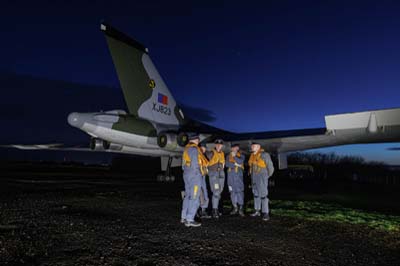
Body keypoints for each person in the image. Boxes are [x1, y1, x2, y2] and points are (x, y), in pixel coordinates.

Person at [180, 133, 205, 227]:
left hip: (186, 174)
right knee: (195, 197)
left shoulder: (186, 149)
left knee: (188, 196)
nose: (199, 141)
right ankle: (189, 219)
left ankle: (183, 217)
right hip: (194, 176)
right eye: (198, 139)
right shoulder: (194, 149)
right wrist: (199, 174)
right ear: (196, 139)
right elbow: (195, 164)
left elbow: (183, 165)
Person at [248, 142, 274, 221]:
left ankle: (265, 213)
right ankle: (257, 210)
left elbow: (270, 168)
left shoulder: (264, 155)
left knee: (263, 195)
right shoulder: (252, 155)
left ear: (259, 147)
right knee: (255, 194)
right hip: (254, 177)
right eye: (252, 146)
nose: (252, 147)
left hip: (261, 176)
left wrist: (266, 176)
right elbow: (251, 166)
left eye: (254, 146)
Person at [206, 139, 225, 218]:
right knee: (216, 191)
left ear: (222, 146)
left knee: (220, 191)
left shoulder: (222, 153)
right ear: (215, 145)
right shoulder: (211, 153)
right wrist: (207, 170)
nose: (219, 146)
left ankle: (216, 208)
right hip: (214, 174)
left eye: (220, 144)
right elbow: (205, 161)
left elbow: (223, 163)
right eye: (217, 144)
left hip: (221, 174)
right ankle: (214, 210)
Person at [225, 143, 245, 216]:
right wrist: (235, 164)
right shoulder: (228, 156)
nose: (235, 149)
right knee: (232, 192)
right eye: (233, 148)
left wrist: (235, 157)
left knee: (240, 192)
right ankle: (235, 207)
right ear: (231, 149)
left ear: (238, 149)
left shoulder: (241, 155)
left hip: (238, 177)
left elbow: (240, 161)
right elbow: (227, 164)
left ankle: (241, 209)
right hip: (230, 177)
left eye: (236, 148)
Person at [198, 142, 211, 218]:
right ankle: (198, 211)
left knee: (205, 193)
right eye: (202, 147)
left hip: (203, 177)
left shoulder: (205, 156)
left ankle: (203, 210)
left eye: (204, 148)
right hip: (197, 177)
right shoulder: (196, 156)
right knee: (199, 194)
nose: (203, 149)